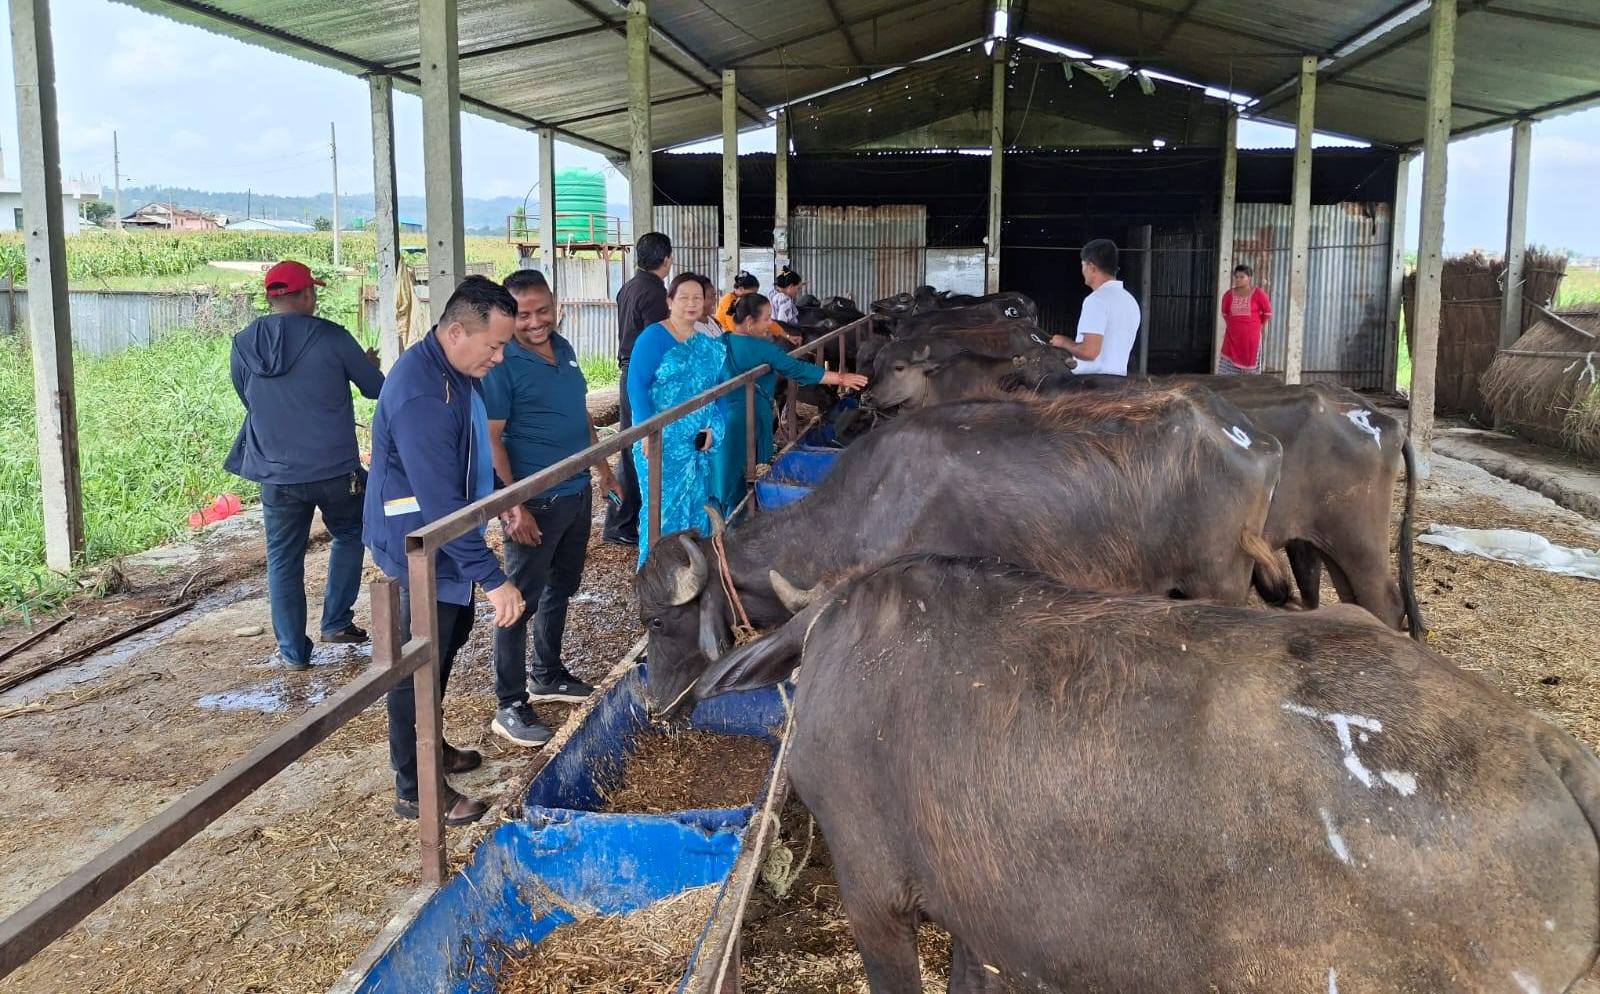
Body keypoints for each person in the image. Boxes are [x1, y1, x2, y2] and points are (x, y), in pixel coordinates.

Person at [364, 275, 526, 826]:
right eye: (494, 345)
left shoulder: (453, 370)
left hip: (444, 541)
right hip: (421, 546)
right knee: (418, 664)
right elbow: (439, 506)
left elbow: (466, 459)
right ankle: (415, 786)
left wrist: (496, 497)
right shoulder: (421, 393)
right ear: (457, 331)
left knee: (446, 643)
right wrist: (493, 577)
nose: (500, 357)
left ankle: (429, 744)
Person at [483, 270, 621, 748]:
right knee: (517, 601)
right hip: (535, 500)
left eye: (543, 309)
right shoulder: (502, 363)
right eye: (523, 314)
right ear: (507, 315)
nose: (536, 321)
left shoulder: (563, 348)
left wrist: (601, 467)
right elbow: (492, 439)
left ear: (555, 304)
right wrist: (512, 505)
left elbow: (579, 411)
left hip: (575, 488)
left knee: (561, 586)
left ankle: (548, 673)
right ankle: (510, 701)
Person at [225, 260, 385, 671]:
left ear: (270, 298)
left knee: (283, 559)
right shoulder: (331, 337)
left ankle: (294, 652)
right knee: (351, 533)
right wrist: (366, 363)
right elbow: (375, 389)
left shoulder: (244, 343)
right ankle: (336, 620)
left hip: (275, 474)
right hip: (334, 469)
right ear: (307, 295)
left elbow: (249, 397)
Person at [716, 293, 868, 511]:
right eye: (767, 318)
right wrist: (841, 378)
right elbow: (797, 369)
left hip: (721, 418)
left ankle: (720, 523)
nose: (771, 323)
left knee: (724, 475)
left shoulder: (720, 342)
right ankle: (744, 517)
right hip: (753, 420)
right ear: (749, 322)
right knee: (753, 472)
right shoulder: (763, 349)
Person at [626, 273, 729, 566]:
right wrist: (647, 432)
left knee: (698, 508)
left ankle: (690, 574)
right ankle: (656, 579)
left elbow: (718, 393)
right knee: (661, 513)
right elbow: (636, 385)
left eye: (697, 298)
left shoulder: (708, 345)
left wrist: (714, 428)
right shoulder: (653, 338)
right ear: (670, 302)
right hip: (660, 445)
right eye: (683, 298)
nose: (691, 304)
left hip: (696, 445)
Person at [603, 232, 672, 547]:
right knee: (636, 447)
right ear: (667, 259)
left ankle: (623, 518)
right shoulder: (656, 293)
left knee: (630, 445)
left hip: (629, 369)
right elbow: (659, 341)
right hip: (642, 373)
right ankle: (620, 521)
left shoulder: (629, 287)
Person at [1050, 238, 1141, 377]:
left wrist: (1063, 342)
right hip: (1119, 383)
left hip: (1091, 386)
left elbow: (1089, 352)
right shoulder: (1130, 300)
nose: (1082, 270)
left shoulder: (1096, 300)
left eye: (1082, 265)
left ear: (1091, 267)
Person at [1219, 263, 1272, 375]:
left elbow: (1267, 312)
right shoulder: (1228, 295)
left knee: (1250, 376)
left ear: (1249, 278)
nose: (1238, 280)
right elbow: (1225, 313)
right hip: (1232, 338)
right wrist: (1234, 326)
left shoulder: (1259, 294)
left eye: (1242, 277)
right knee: (1227, 375)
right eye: (1236, 277)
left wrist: (1256, 326)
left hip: (1251, 339)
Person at [689, 273, 725, 338]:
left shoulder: (713, 321)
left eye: (714, 296)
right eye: (710, 297)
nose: (715, 301)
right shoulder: (690, 328)